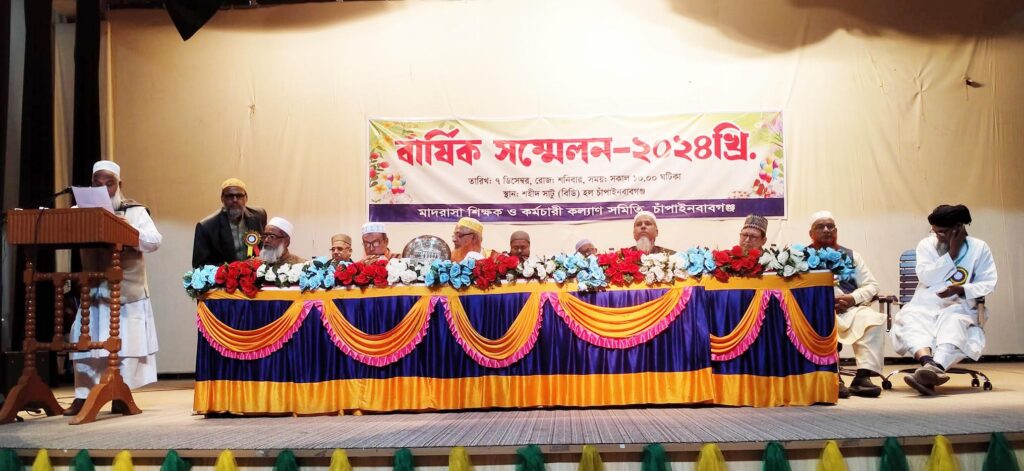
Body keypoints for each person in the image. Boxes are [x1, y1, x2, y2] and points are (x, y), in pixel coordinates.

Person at [66, 161, 162, 416]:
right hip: (93, 290)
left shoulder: (134, 211)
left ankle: (121, 395)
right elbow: (63, 232)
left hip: (125, 290)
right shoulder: (78, 211)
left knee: (125, 345)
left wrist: (126, 230)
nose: (104, 189)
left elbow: (154, 241)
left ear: (119, 185)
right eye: (98, 184)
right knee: (84, 344)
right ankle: (82, 396)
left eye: (109, 184)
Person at [891, 204, 997, 396]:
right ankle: (928, 365)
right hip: (926, 302)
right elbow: (926, 278)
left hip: (960, 305)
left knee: (953, 322)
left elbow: (988, 282)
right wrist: (951, 254)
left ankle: (933, 369)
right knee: (910, 318)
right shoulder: (926, 245)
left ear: (958, 228)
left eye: (941, 232)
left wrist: (962, 289)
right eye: (934, 231)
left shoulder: (979, 248)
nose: (937, 235)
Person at [809, 211, 884, 398]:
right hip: (816, 311)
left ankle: (863, 377)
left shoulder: (852, 256)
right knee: (818, 322)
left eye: (830, 226)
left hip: (849, 309)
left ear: (836, 231)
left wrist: (852, 298)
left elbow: (872, 286)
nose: (827, 230)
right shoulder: (800, 256)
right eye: (820, 226)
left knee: (873, 320)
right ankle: (833, 377)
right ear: (811, 233)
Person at [191, 178, 267, 268]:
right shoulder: (206, 227)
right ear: (222, 199)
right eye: (230, 196)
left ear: (246, 198)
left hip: (255, 272)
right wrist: (231, 270)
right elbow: (199, 264)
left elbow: (265, 245)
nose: (235, 200)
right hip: (224, 274)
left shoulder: (259, 216)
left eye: (239, 196)